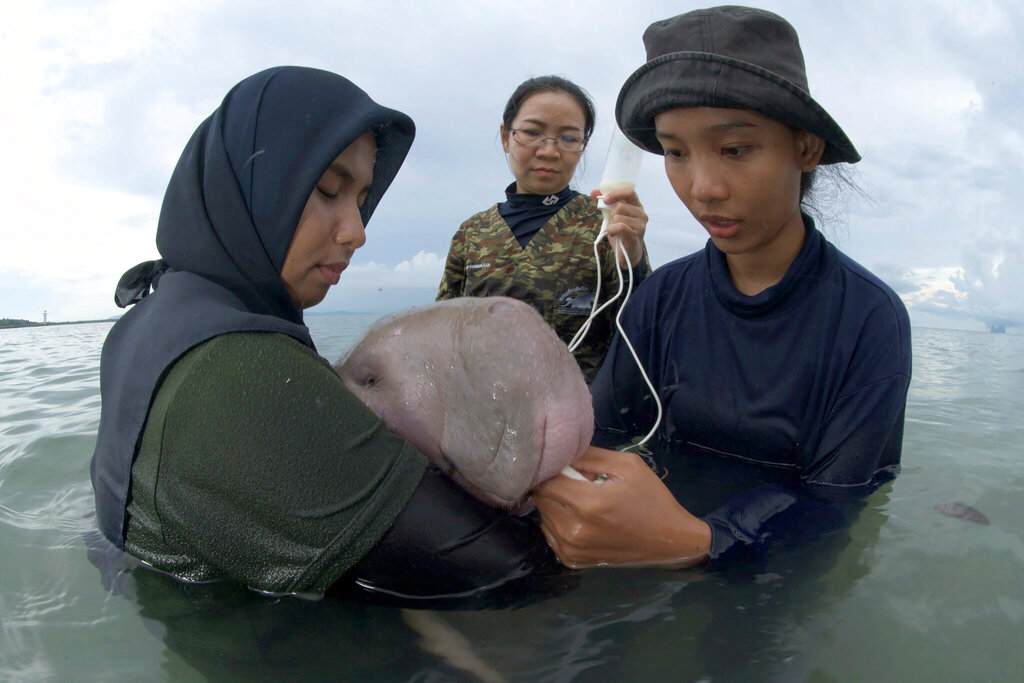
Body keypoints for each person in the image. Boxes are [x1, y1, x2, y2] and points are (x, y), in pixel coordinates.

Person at [90, 67, 552, 597]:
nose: (356, 232)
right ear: (250, 188)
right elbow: (511, 572)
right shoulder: (244, 375)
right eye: (329, 189)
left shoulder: (144, 325)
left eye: (361, 200)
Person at [533, 7, 912, 567]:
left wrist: (702, 542)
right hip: (631, 559)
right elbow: (604, 436)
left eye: (735, 150)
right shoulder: (659, 299)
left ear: (806, 148)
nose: (703, 188)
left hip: (768, 583)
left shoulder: (869, 318)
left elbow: (838, 506)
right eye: (676, 153)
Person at [436, 75, 651, 382]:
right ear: (506, 136)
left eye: (568, 138)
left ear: (583, 146)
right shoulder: (471, 234)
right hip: (483, 417)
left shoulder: (607, 226)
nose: (549, 151)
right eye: (533, 133)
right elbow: (442, 334)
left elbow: (643, 331)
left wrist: (631, 260)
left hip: (579, 420)